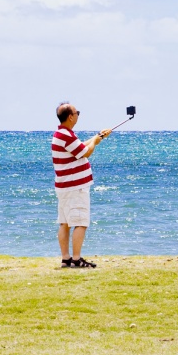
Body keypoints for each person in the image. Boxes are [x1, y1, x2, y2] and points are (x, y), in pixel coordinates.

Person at [52, 102, 112, 268]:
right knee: (80, 222)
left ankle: (66, 258)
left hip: (64, 187)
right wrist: (95, 141)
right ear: (71, 116)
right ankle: (76, 259)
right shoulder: (66, 135)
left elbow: (80, 147)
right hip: (74, 187)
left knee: (64, 222)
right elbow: (86, 152)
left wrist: (97, 137)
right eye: (76, 112)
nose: (78, 114)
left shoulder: (62, 134)